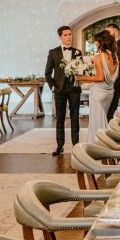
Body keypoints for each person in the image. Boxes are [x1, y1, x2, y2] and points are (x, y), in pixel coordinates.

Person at [45, 26, 82, 156]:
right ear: (60, 36)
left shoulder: (78, 52)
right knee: (60, 118)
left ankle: (76, 146)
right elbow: (47, 73)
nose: (69, 37)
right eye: (66, 35)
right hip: (59, 90)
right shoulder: (53, 52)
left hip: (74, 89)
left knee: (75, 118)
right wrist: (53, 87)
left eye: (70, 34)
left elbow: (81, 70)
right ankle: (59, 146)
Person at [76, 29, 118, 143]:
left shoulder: (99, 56)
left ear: (100, 42)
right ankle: (104, 143)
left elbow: (100, 77)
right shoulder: (114, 56)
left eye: (96, 41)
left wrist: (81, 78)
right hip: (109, 92)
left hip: (98, 93)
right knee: (102, 118)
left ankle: (97, 145)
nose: (95, 43)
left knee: (96, 121)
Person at [105, 23, 120, 121]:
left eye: (107, 32)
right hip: (106, 85)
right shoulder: (106, 46)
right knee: (105, 111)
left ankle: (108, 134)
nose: (105, 35)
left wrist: (115, 86)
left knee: (110, 112)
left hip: (115, 86)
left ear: (115, 33)